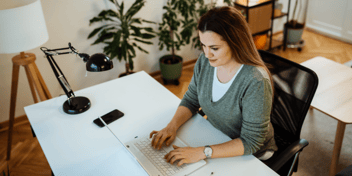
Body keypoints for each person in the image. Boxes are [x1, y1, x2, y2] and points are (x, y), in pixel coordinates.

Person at [150, 6, 278, 167]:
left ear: (235, 43)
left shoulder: (255, 81)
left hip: (251, 155)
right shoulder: (205, 62)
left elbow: (251, 142)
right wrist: (171, 126)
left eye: (214, 48)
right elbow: (191, 100)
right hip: (216, 136)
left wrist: (201, 152)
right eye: (203, 45)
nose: (207, 54)